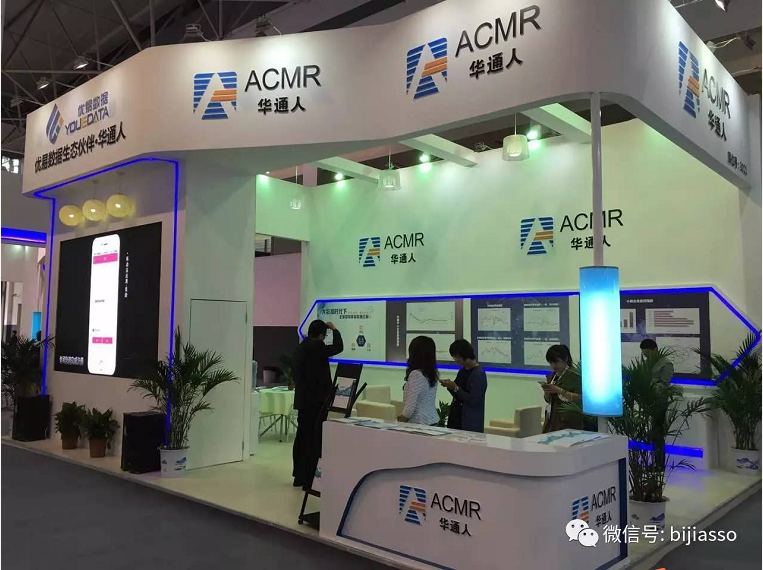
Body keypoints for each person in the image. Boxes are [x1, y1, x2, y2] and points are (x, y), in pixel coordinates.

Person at [292, 320, 343, 489]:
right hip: (318, 401)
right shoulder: (319, 348)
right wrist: (335, 329)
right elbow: (338, 347)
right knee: (314, 439)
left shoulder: (300, 348)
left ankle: (298, 475)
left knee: (302, 436)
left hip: (303, 400)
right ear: (322, 334)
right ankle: (310, 478)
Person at [440, 339, 487, 432]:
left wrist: (455, 387)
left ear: (466, 355)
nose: (456, 360)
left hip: (469, 422)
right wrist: (449, 386)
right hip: (456, 418)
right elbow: (458, 395)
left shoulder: (478, 374)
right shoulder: (462, 371)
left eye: (457, 357)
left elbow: (473, 400)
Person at [541, 344, 583, 433]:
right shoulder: (552, 376)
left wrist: (559, 390)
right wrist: (547, 391)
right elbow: (548, 400)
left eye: (556, 362)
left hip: (568, 421)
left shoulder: (575, 375)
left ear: (566, 359)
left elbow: (580, 398)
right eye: (551, 362)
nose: (553, 365)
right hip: (552, 418)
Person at [398, 336, 439, 426]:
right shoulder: (432, 373)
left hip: (419, 422)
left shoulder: (416, 374)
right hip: (431, 420)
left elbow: (409, 407)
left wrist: (400, 422)